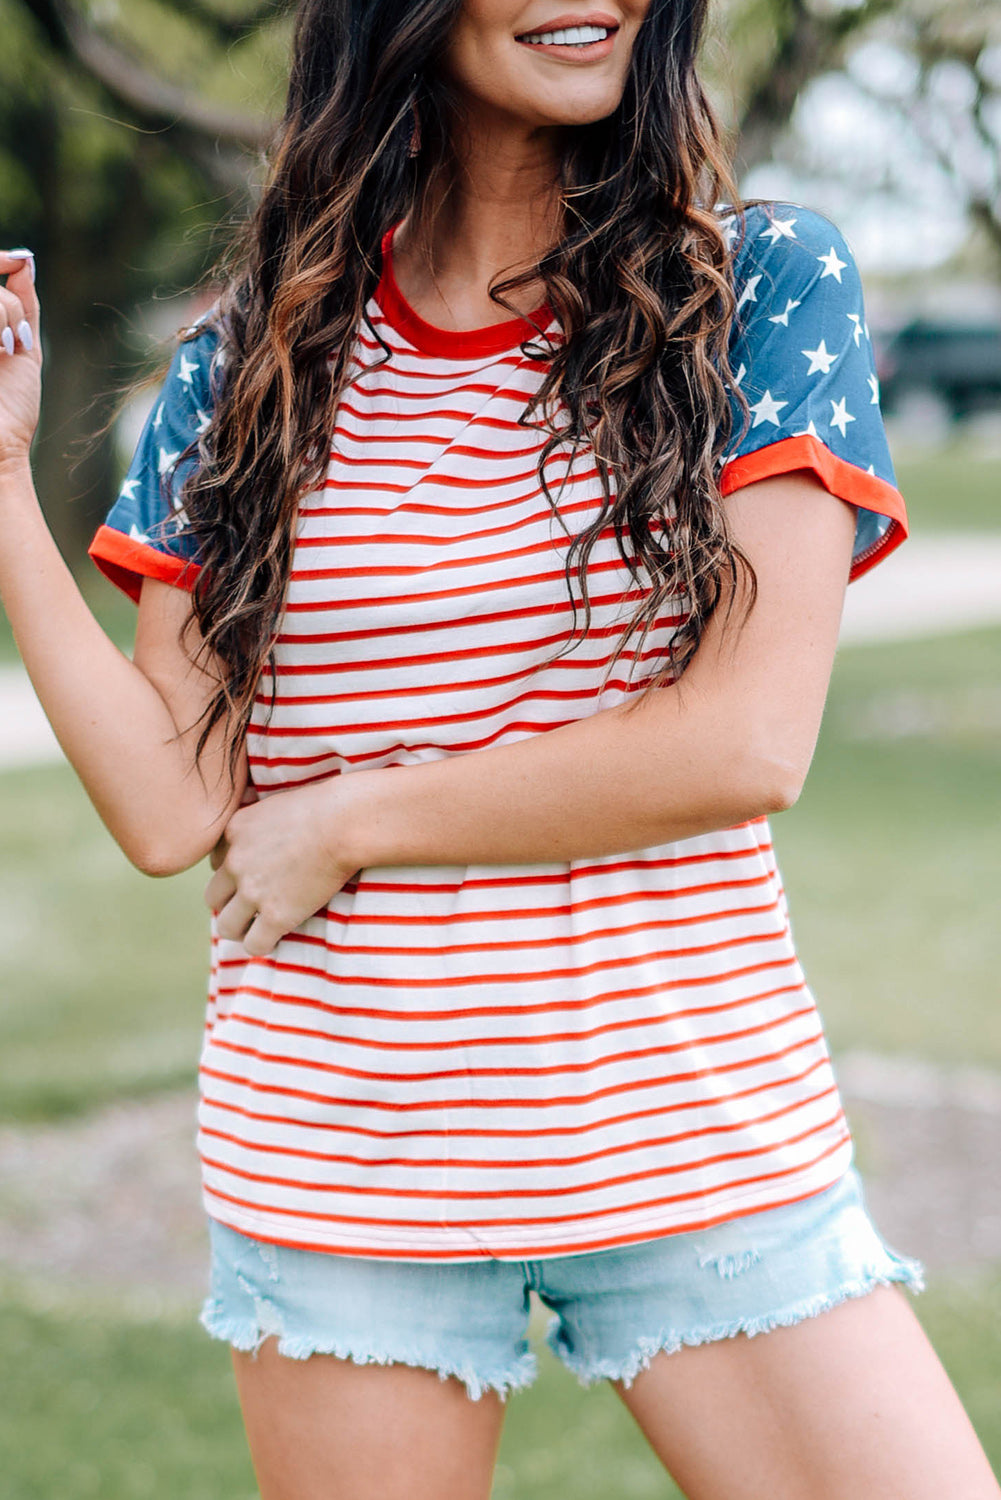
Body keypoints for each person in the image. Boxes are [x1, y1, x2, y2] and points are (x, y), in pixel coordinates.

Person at [1, 2, 998, 1496]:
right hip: (339, 1161)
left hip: (693, 1128)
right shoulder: (246, 363)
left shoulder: (761, 284)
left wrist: (349, 821)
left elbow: (744, 741)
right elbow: (169, 806)